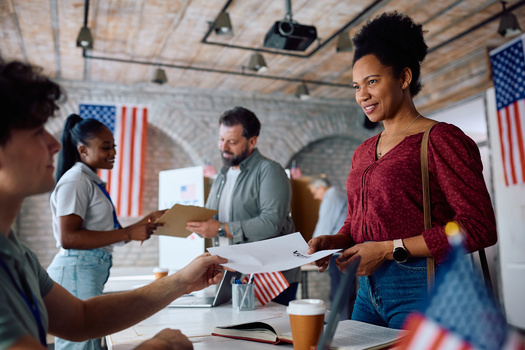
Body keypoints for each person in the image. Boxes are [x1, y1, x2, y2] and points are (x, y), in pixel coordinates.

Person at [0, 58, 227, 350]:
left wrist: (182, 281)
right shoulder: (75, 180)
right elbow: (70, 238)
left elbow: (82, 319)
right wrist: (159, 347)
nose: (55, 144)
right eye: (36, 132)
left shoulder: (17, 253)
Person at [307, 12, 497, 329]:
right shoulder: (363, 152)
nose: (362, 95)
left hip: (422, 287)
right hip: (366, 292)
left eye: (372, 81)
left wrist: (388, 249)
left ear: (404, 78)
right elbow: (356, 223)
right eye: (356, 86)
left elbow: (478, 227)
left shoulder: (440, 139)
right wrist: (333, 241)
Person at [47, 114, 167, 349]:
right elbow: (68, 237)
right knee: (82, 344)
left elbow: (103, 233)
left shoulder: (90, 181)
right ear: (82, 150)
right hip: (77, 269)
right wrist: (129, 234)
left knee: (90, 341)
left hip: (87, 268)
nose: (113, 152)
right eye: (105, 147)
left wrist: (143, 223)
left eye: (114, 146)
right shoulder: (76, 180)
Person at [186, 106, 300, 305]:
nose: (223, 147)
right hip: (234, 274)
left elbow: (270, 223)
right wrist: (196, 223)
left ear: (252, 141)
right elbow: (212, 221)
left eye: (232, 142)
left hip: (271, 277)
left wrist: (221, 229)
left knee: (270, 334)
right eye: (221, 139)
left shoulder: (269, 171)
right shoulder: (221, 175)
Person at [307, 176, 355, 320]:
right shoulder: (338, 194)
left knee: (339, 294)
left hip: (337, 253)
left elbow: (324, 228)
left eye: (315, 193)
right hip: (344, 251)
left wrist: (310, 253)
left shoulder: (331, 197)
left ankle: (341, 326)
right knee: (346, 293)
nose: (315, 197)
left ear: (321, 188)